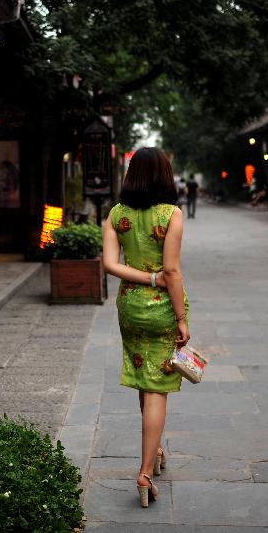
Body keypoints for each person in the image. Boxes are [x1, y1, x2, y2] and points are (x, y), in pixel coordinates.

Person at [101, 147, 190, 508]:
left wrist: (144, 277)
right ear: (165, 175)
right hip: (161, 309)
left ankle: (155, 451)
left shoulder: (116, 214)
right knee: (157, 388)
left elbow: (109, 264)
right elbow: (170, 272)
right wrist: (182, 317)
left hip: (129, 308)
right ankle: (144, 471)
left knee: (145, 377)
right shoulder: (172, 214)